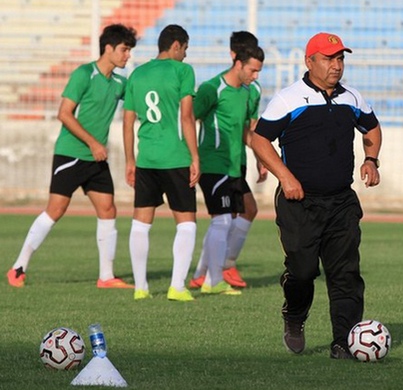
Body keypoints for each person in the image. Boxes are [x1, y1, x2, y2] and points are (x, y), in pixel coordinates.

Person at [250, 32, 382, 359]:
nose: (336, 65)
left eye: (340, 58)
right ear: (310, 62)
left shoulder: (352, 98)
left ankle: (344, 342)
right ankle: (294, 316)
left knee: (345, 275)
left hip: (341, 202)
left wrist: (371, 160)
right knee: (303, 271)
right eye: (328, 58)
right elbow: (259, 140)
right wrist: (285, 177)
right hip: (299, 203)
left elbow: (373, 129)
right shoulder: (288, 99)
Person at [6, 24, 138, 289]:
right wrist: (92, 142)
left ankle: (106, 276)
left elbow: (139, 100)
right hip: (71, 154)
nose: (128, 56)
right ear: (109, 48)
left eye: (130, 50)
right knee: (55, 210)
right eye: (124, 50)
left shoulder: (120, 83)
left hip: (96, 159)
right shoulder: (83, 74)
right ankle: (18, 268)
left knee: (108, 209)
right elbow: (64, 113)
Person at [122, 24, 200, 302]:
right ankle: (176, 287)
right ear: (176, 45)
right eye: (185, 50)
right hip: (176, 157)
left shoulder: (137, 73)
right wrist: (195, 156)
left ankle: (140, 287)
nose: (186, 56)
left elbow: (128, 121)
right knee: (187, 222)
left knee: (141, 223)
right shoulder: (183, 72)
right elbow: (187, 117)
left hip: (147, 158)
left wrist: (130, 160)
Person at [189, 31, 266, 290]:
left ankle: (205, 274)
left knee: (233, 216)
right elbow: (189, 118)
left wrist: (260, 156)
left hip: (235, 164)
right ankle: (216, 277)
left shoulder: (248, 91)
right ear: (237, 62)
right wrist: (191, 157)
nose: (256, 77)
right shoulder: (213, 88)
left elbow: (247, 129)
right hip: (214, 163)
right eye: (253, 70)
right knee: (222, 220)